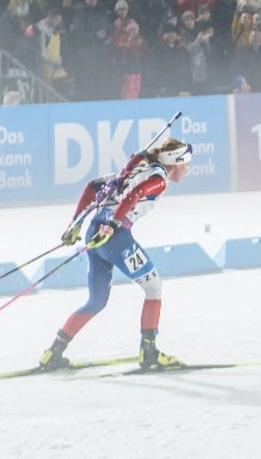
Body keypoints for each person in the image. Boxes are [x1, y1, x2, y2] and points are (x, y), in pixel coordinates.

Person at [38, 138, 194, 372]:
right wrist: (113, 224)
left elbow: (93, 186)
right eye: (187, 164)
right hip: (115, 237)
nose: (187, 170)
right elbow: (136, 193)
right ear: (177, 162)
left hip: (95, 233)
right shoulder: (158, 180)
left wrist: (75, 224)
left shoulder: (134, 170)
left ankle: (54, 352)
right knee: (154, 288)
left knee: (96, 300)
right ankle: (149, 352)